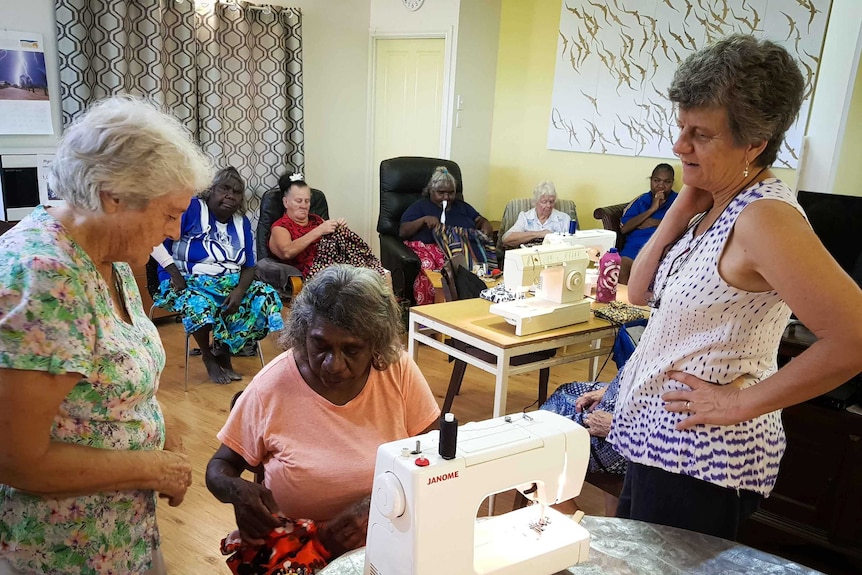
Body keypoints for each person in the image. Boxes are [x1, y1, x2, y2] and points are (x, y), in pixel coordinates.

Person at [609, 34, 862, 540]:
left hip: (702, 460)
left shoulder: (765, 217)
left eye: (700, 134)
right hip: (660, 448)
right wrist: (685, 202)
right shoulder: (716, 203)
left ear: (754, 142)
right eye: (681, 126)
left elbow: (854, 338)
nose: (680, 145)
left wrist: (739, 404)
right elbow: (639, 293)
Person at [0, 95, 211, 574]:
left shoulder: (111, 257)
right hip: (61, 551)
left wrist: (162, 432)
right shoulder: (43, 277)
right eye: (168, 213)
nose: (176, 231)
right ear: (113, 196)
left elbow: (111, 384)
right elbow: (16, 458)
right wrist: (151, 466)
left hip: (121, 533)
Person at [205, 265, 440, 568]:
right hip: (296, 550)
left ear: (376, 345)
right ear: (304, 333)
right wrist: (236, 491)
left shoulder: (398, 371)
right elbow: (219, 466)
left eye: (352, 350)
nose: (333, 364)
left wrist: (375, 509)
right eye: (320, 344)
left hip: (387, 532)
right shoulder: (272, 385)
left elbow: (437, 456)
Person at [151, 167, 284, 385]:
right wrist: (173, 273)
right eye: (224, 188)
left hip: (229, 283)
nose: (231, 195)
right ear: (210, 190)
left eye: (237, 192)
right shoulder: (192, 208)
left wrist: (240, 291)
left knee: (265, 296)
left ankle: (224, 351)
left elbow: (249, 267)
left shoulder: (242, 223)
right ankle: (207, 355)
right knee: (198, 302)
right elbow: (154, 238)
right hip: (186, 280)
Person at [399, 166, 493, 304]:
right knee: (437, 270)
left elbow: (480, 220)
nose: (446, 197)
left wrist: (486, 225)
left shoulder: (462, 207)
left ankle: (472, 305)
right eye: (441, 193)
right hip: (429, 247)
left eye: (451, 193)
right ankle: (429, 310)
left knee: (473, 268)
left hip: (460, 248)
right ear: (431, 190)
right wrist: (423, 220)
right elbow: (403, 231)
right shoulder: (419, 207)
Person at [268, 172, 386, 279]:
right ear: (286, 202)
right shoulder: (280, 227)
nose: (304, 205)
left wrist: (338, 227)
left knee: (384, 274)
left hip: (337, 267)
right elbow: (287, 252)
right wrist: (319, 231)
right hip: (315, 276)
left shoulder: (316, 220)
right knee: (359, 281)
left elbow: (332, 245)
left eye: (307, 201)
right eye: (298, 201)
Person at [617, 163, 678, 284]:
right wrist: (652, 209)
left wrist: (655, 222)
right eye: (656, 180)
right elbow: (624, 228)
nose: (661, 186)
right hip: (634, 249)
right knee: (620, 268)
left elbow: (688, 225)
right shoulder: (641, 201)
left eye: (666, 182)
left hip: (661, 250)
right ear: (650, 180)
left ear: (672, 183)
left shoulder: (679, 201)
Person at [501, 181, 572, 248]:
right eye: (544, 202)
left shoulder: (564, 219)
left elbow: (574, 243)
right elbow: (506, 238)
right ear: (536, 202)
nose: (549, 205)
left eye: (551, 201)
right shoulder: (525, 217)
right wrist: (540, 234)